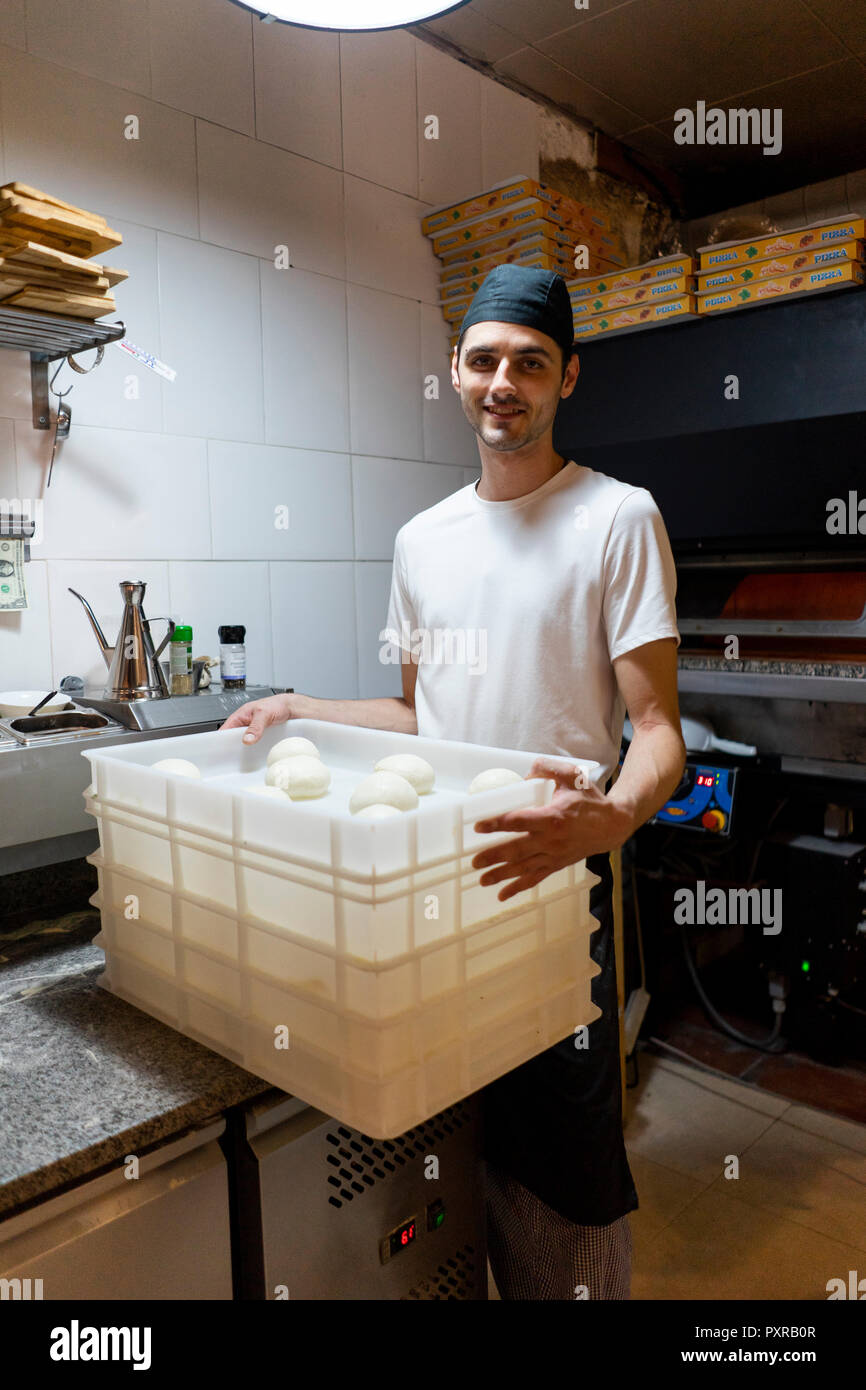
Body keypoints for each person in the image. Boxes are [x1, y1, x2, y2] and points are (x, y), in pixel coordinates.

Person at [220, 263, 686, 1301]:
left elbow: (657, 729)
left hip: (552, 901)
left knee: (562, 1187)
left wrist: (608, 819)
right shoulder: (419, 540)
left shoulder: (616, 519)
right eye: (482, 360)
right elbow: (415, 718)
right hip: (432, 901)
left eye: (528, 362)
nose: (500, 382)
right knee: (442, 1179)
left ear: (567, 377)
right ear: (453, 373)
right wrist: (299, 706)